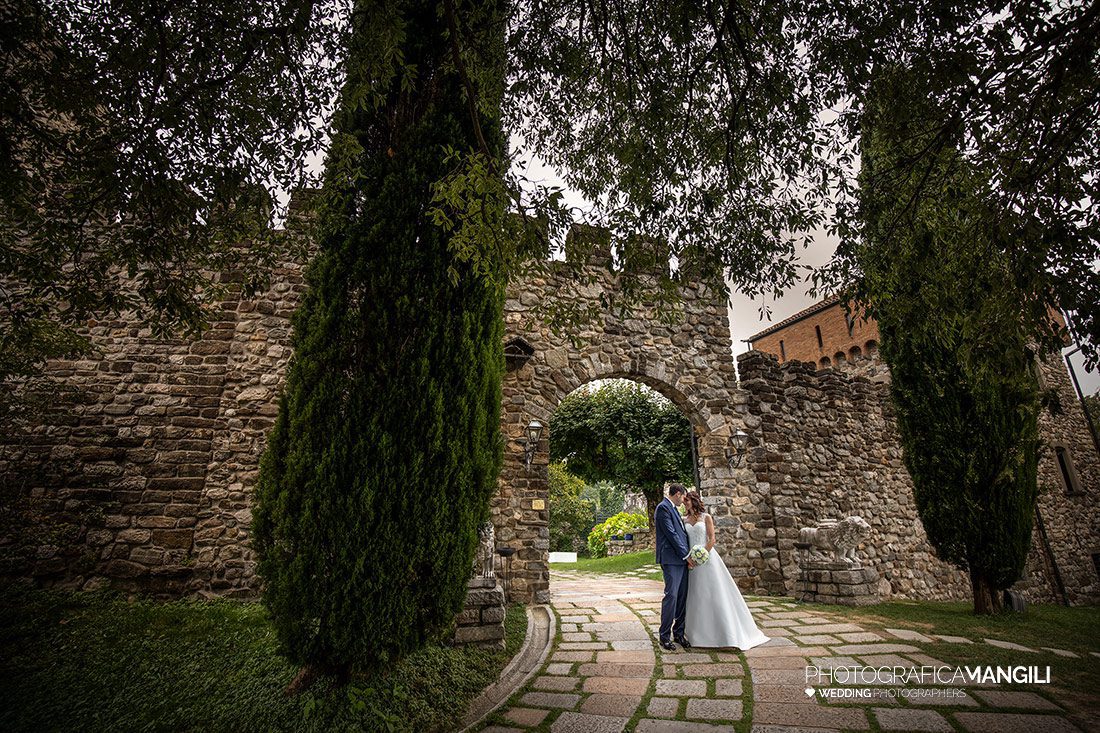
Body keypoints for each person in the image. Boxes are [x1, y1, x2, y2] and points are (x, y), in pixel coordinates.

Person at [681, 490, 769, 650]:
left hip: (706, 558)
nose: (684, 503)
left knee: (714, 592)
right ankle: (696, 633)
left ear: (693, 501)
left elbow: (712, 539)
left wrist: (702, 555)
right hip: (691, 561)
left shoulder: (706, 517)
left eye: (686, 501)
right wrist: (691, 558)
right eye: (684, 501)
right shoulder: (683, 520)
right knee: (696, 594)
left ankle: (725, 633)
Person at [654, 483, 693, 651]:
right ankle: (664, 636)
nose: (683, 501)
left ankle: (678, 633)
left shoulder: (673, 509)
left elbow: (682, 533)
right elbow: (672, 535)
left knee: (682, 597)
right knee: (672, 596)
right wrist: (687, 555)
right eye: (683, 497)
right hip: (671, 559)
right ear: (677, 494)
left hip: (682, 560)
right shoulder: (663, 508)